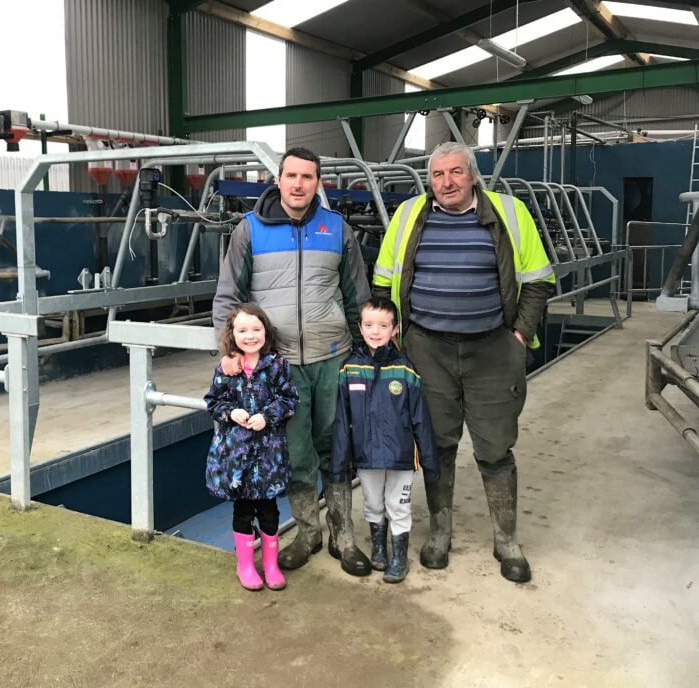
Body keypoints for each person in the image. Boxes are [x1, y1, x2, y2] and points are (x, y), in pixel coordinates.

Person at [372, 141, 555, 583]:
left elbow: (538, 281)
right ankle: (440, 532)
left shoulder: (509, 213)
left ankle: (506, 539)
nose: (446, 182)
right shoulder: (409, 216)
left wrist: (518, 338)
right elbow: (382, 282)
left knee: (495, 447)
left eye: (455, 173)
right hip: (428, 351)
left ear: (473, 175)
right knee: (437, 445)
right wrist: (398, 338)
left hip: (493, 350)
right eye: (437, 175)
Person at [213, 147, 374, 577]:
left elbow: (358, 296)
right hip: (279, 367)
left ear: (318, 183)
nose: (299, 184)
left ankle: (343, 536)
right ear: (278, 180)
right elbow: (229, 296)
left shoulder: (337, 229)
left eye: (308, 177)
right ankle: (308, 532)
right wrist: (229, 351)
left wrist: (368, 355)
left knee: (337, 447)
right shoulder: (250, 230)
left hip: (334, 357)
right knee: (296, 451)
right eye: (291, 176)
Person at [328, 297, 440, 584]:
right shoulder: (349, 369)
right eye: (369, 325)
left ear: (395, 329)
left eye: (383, 325)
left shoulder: (406, 370)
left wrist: (429, 462)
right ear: (360, 327)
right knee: (373, 504)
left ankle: (399, 556)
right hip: (366, 456)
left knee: (398, 506)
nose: (375, 331)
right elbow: (342, 420)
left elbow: (421, 419)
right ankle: (379, 547)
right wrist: (339, 464)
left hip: (401, 456)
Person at [205, 303, 298, 591]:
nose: (250, 335)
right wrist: (231, 413)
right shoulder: (226, 369)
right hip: (237, 459)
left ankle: (270, 564)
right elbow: (214, 402)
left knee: (269, 511)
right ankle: (245, 564)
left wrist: (267, 417)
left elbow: (289, 399)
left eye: (256, 329)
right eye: (242, 330)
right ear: (232, 334)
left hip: (269, 456)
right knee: (243, 511)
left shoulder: (277, 366)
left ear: (266, 332)